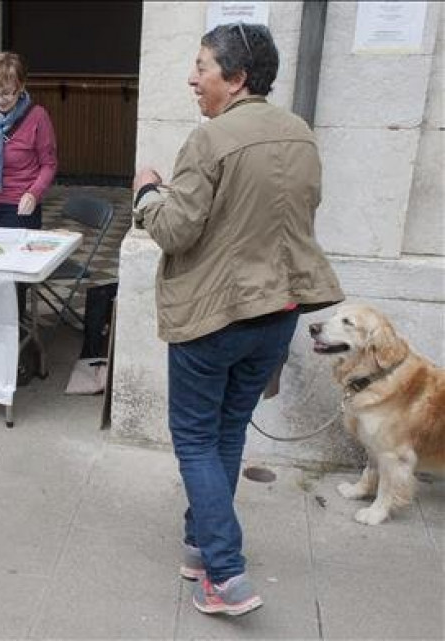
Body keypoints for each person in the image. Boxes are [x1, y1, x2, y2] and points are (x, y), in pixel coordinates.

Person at [132, 23, 343, 616]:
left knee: (197, 441)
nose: (192, 78)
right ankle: (200, 547)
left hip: (214, 318)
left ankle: (225, 574)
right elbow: (295, 211)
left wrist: (148, 194)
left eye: (203, 67)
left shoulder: (211, 140)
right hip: (276, 315)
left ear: (238, 77)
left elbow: (175, 230)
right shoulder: (300, 134)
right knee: (226, 435)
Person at [0, 51, 57, 229]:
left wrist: (33, 194)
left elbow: (49, 164)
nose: (0, 100)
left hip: (19, 203)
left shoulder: (37, 117)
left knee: (14, 256)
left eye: (7, 93)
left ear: (21, 86)